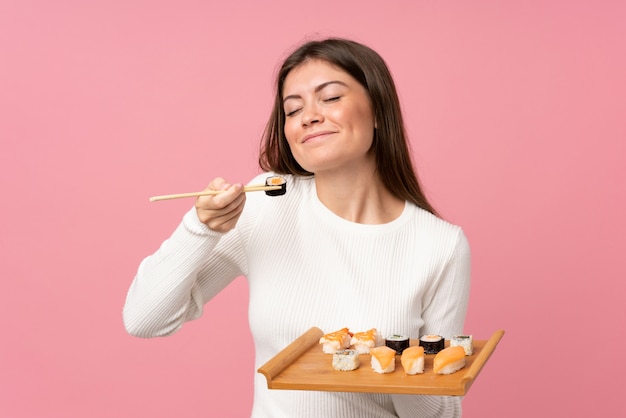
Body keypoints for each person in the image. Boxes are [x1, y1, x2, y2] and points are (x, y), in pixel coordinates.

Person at [123, 37, 471, 418]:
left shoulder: (440, 244)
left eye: (331, 97)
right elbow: (145, 319)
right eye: (293, 109)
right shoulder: (264, 206)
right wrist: (200, 229)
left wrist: (391, 359)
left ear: (377, 109)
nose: (308, 116)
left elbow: (441, 410)